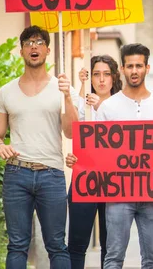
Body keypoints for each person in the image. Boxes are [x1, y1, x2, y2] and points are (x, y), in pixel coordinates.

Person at [87, 43, 153, 269]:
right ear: (122, 69)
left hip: (152, 196)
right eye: (130, 66)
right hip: (117, 195)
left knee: (152, 260)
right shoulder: (108, 107)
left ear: (147, 67)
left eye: (139, 66)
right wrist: (80, 160)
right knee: (113, 258)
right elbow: (96, 151)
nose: (134, 71)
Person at [0, 25, 79, 269]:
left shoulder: (61, 89)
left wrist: (68, 97)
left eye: (39, 42)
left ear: (48, 50)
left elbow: (70, 132)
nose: (34, 46)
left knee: (57, 245)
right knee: (17, 245)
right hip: (17, 173)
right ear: (21, 51)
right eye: (28, 43)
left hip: (51, 173)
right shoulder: (6, 92)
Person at [66, 55, 122, 268]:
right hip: (85, 179)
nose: (101, 80)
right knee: (77, 244)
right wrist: (81, 85)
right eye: (96, 74)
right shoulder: (85, 104)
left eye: (106, 74)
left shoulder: (122, 104)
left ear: (113, 77)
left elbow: (124, 139)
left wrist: (101, 106)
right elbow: (75, 130)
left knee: (110, 246)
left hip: (113, 183)